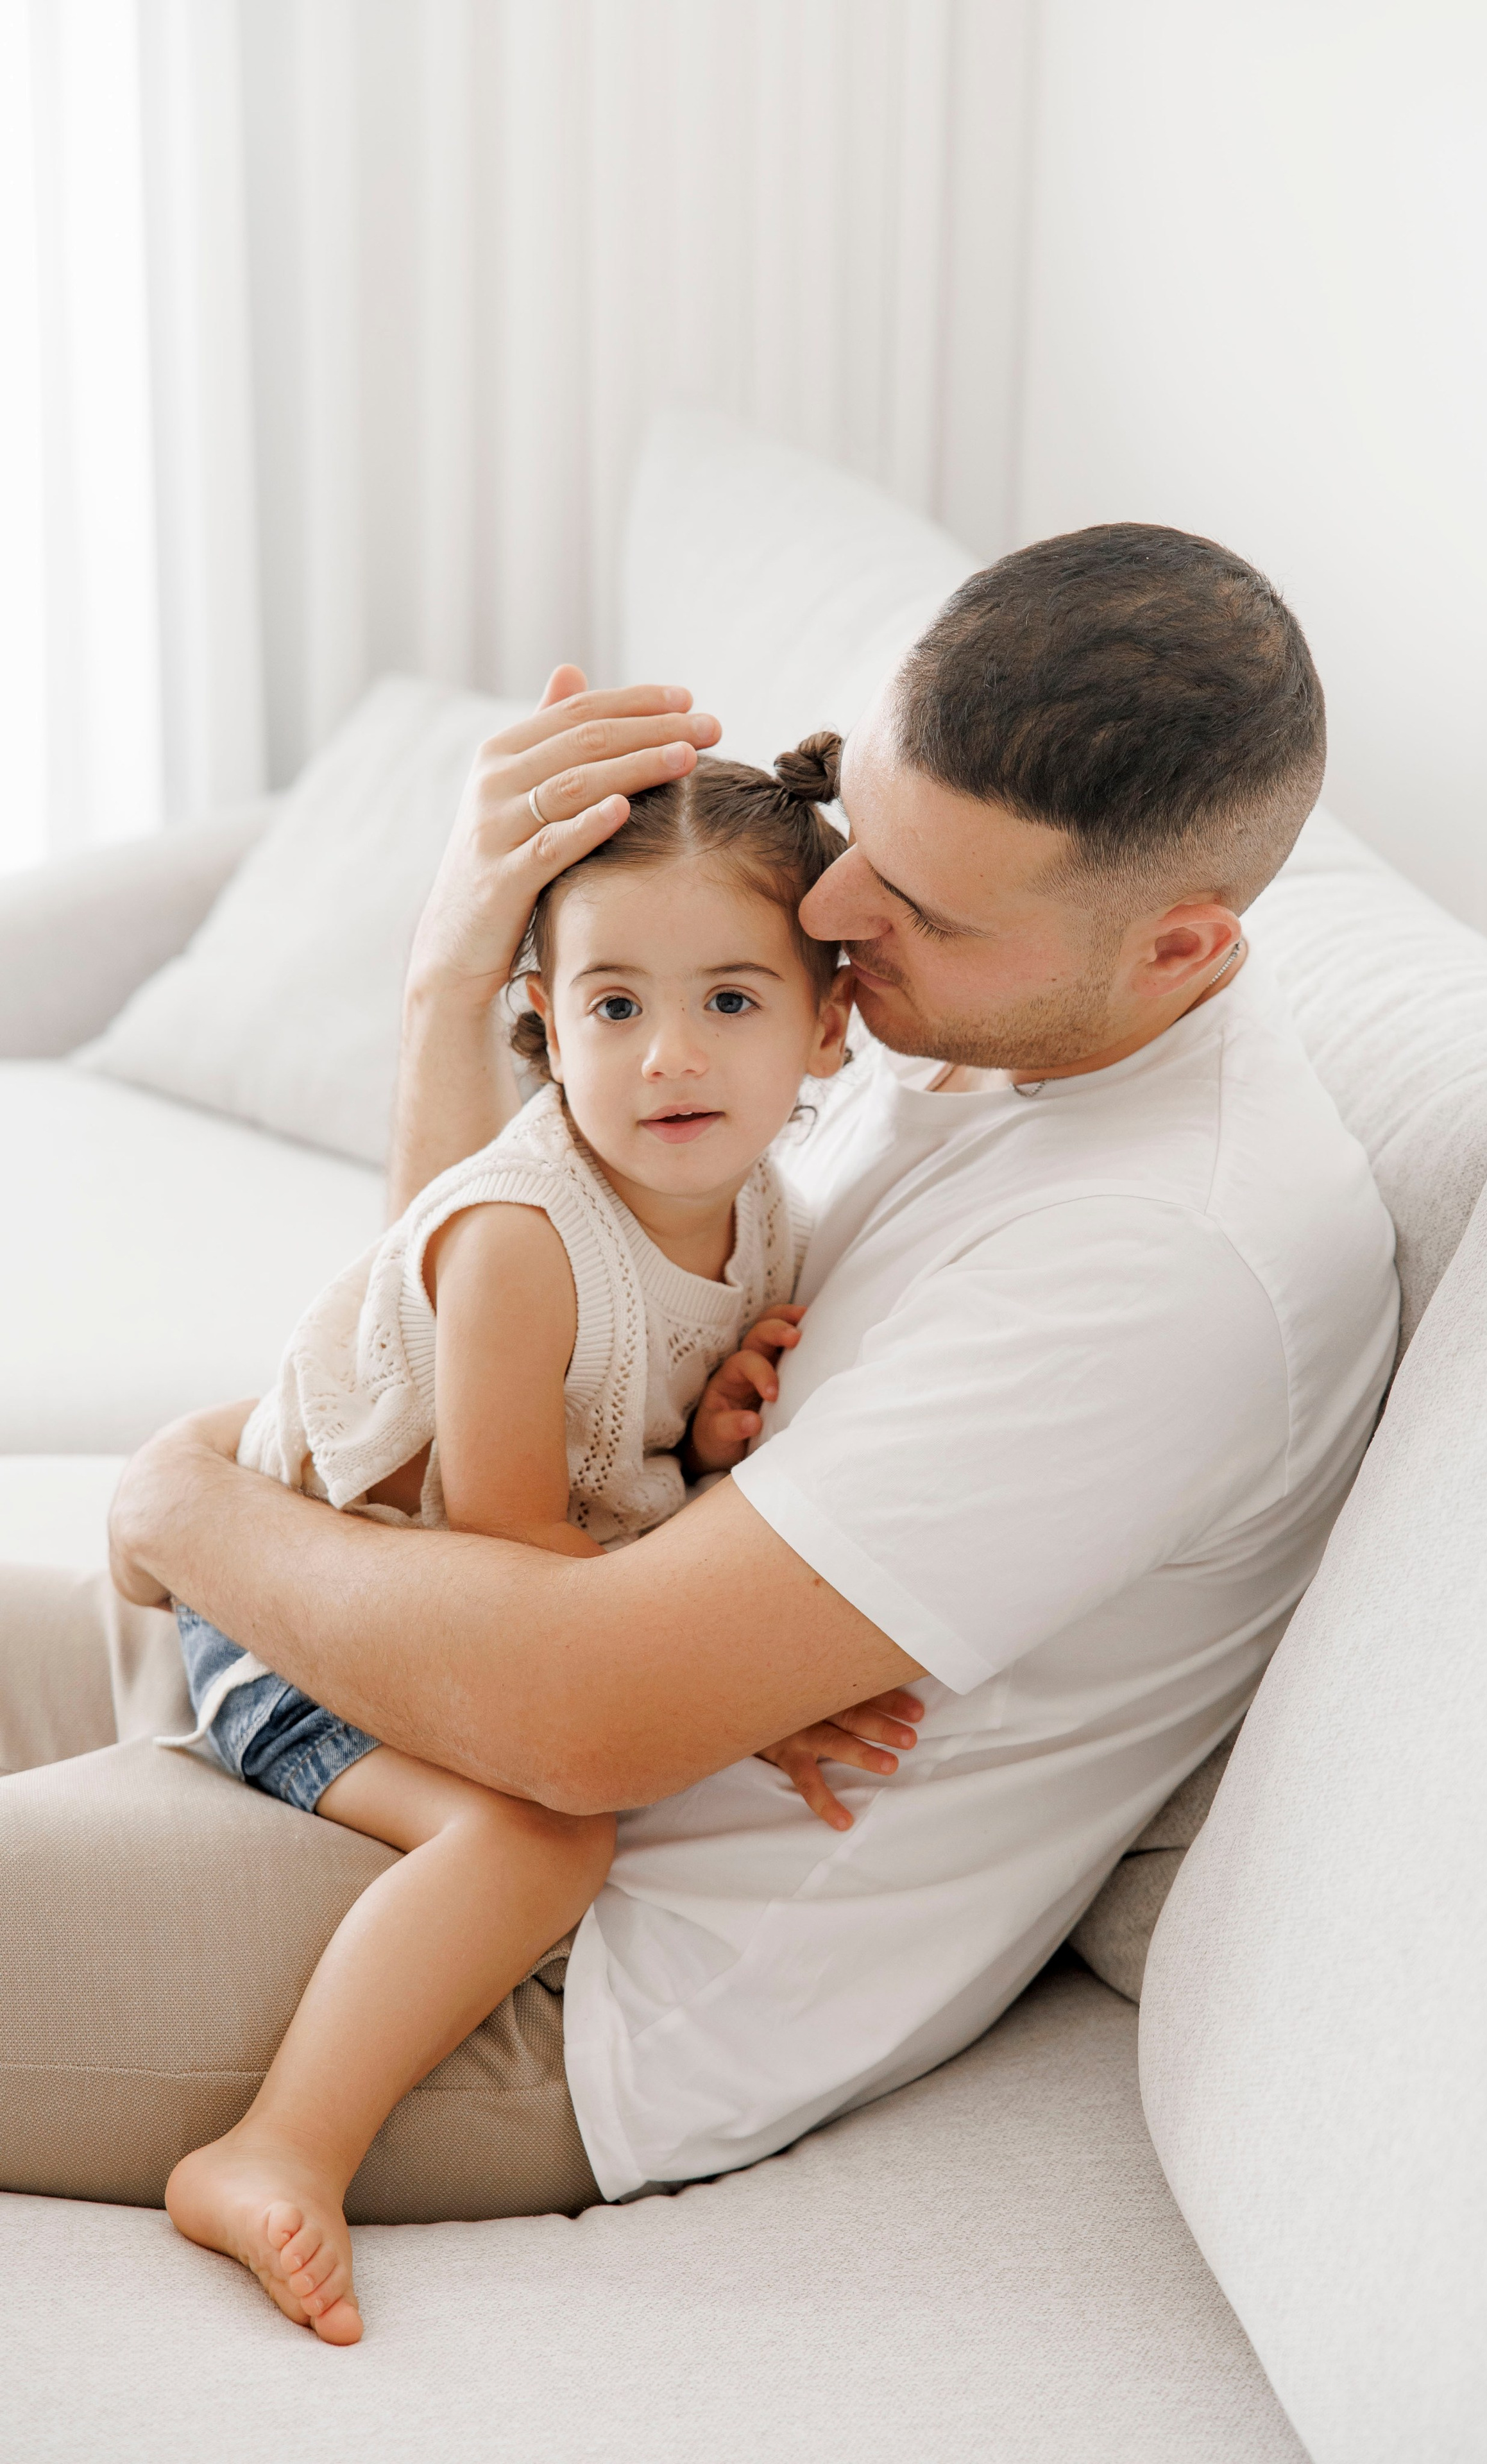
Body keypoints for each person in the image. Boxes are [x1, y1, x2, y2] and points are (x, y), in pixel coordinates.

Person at [0, 522, 1398, 2254]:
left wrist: (181, 1505)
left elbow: (581, 1724)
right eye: (859, 836)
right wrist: (457, 974)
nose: (827, 912)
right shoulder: (944, 1013)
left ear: (1182, 950)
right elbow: (494, 1312)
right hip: (416, 1690)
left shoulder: (1172, 1256)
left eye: (921, 905)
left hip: (552, 1957)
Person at [157, 739, 915, 2341]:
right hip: (302, 1612)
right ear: (543, 1019)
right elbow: (494, 1559)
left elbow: (613, 1434)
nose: (668, 1059)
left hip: (435, 1601)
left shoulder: (761, 1200)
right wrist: (755, 1687)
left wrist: (701, 1437)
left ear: (827, 1025)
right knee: (547, 1842)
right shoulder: (521, 1241)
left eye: (730, 999)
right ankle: (274, 2148)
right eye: (613, 1006)